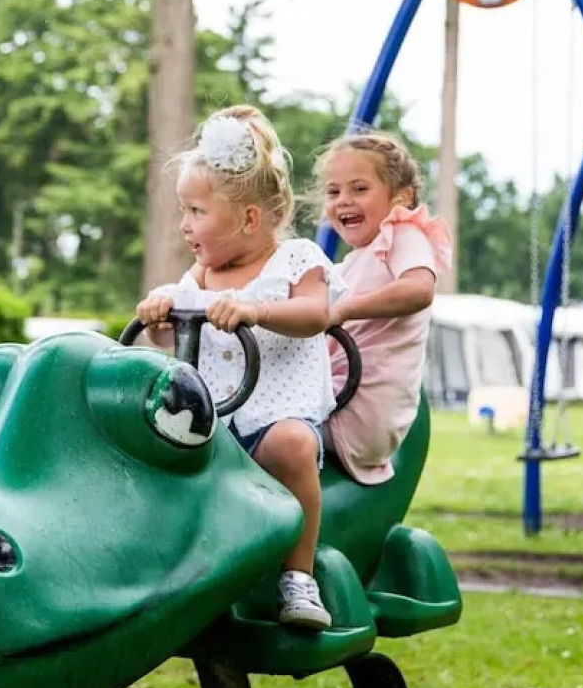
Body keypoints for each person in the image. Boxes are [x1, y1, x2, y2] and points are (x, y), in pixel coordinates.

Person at [136, 105, 336, 630]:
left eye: (197, 212)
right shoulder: (200, 275)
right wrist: (161, 309)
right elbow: (167, 338)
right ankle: (159, 565)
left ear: (249, 218)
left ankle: (299, 576)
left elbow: (317, 314)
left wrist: (255, 309)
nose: (185, 224)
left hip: (274, 419)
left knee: (291, 445)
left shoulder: (297, 260)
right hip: (214, 427)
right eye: (184, 210)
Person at [320, 129, 452, 485]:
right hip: (334, 397)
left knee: (257, 428)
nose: (343, 200)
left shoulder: (404, 234)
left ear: (400, 199)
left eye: (359, 189)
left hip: (358, 411)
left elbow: (419, 289)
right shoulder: (348, 265)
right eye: (333, 192)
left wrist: (344, 310)